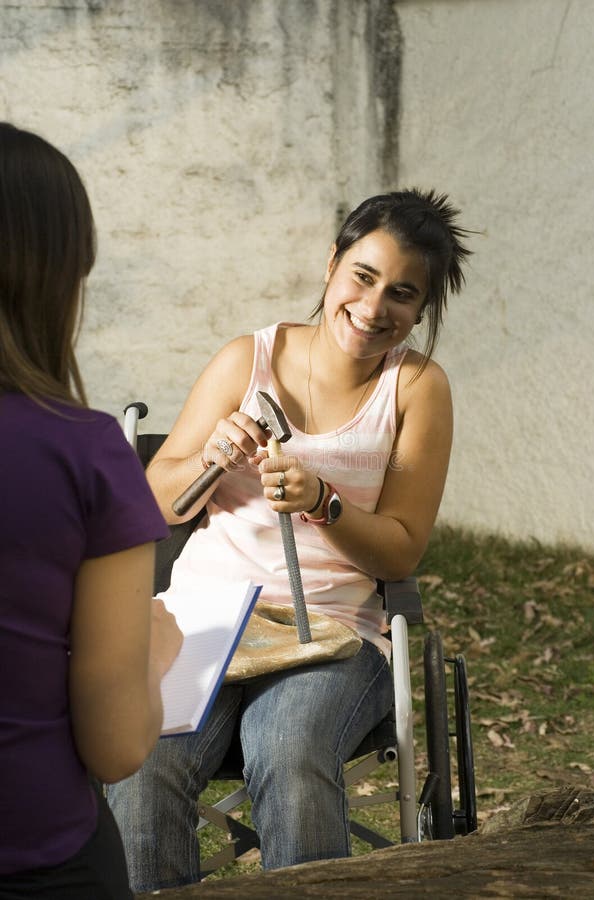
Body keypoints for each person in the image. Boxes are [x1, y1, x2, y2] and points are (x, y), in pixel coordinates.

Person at [108, 188, 472, 891]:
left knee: (290, 745)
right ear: (333, 264)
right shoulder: (247, 358)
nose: (372, 309)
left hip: (333, 631)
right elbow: (152, 501)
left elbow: (400, 550)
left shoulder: (416, 387)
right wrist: (211, 458)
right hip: (206, 621)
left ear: (420, 311)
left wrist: (323, 501)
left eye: (401, 294)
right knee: (145, 754)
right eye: (362, 277)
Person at [0, 122, 183, 899]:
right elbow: (114, 748)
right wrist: (156, 649)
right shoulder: (84, 451)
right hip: (37, 857)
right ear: (59, 274)